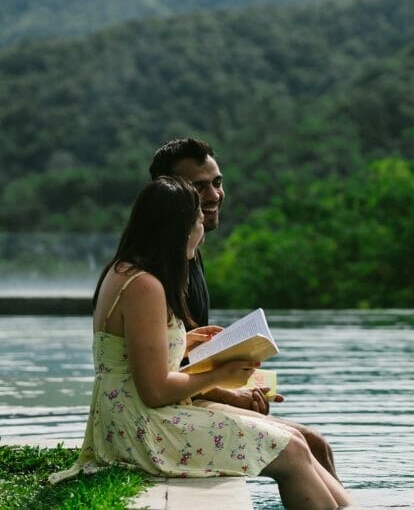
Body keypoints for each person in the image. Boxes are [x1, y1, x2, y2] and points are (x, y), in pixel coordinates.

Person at [50, 177, 351, 508]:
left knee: (296, 441)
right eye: (198, 220)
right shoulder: (145, 286)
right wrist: (221, 374)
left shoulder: (127, 271)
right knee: (292, 451)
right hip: (141, 429)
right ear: (179, 228)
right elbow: (155, 390)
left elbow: (127, 351)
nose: (202, 230)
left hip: (130, 418)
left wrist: (185, 342)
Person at [148, 138, 339, 478]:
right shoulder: (156, 273)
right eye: (199, 187)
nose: (214, 195)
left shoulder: (190, 252)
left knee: (317, 444)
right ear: (170, 194)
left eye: (217, 183)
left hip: (190, 394)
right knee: (309, 442)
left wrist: (241, 382)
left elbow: (178, 353)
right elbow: (157, 374)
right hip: (173, 408)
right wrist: (232, 394)